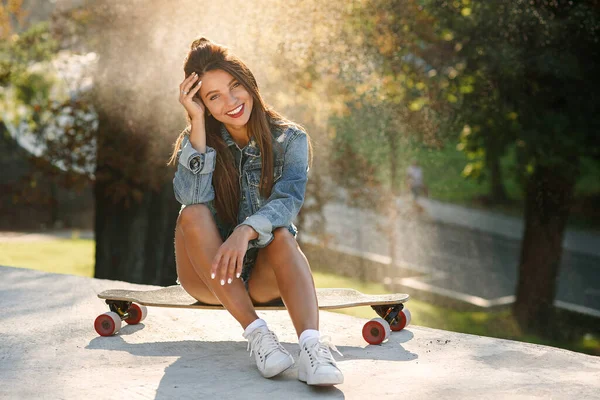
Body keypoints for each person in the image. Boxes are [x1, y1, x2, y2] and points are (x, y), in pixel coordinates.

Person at [167, 37, 343, 386]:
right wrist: (197, 122)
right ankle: (259, 336)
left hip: (262, 277)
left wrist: (245, 230)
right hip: (209, 278)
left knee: (280, 235)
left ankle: (311, 349)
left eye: (235, 87)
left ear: (248, 82)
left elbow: (288, 201)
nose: (231, 102)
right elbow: (190, 196)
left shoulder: (290, 139)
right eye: (213, 97)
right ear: (202, 103)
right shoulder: (200, 139)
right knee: (192, 213)